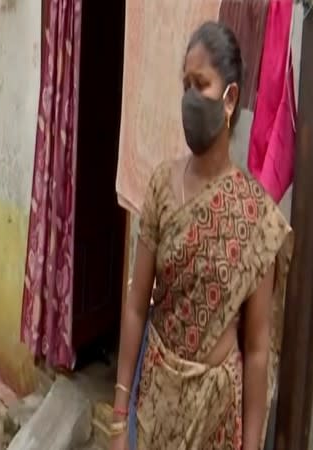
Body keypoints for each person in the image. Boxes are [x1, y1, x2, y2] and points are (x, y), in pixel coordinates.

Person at [110, 22, 293, 450]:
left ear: (229, 98)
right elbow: (137, 306)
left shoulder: (256, 218)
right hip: (156, 405)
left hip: (216, 418)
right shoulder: (161, 186)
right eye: (185, 86)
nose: (190, 98)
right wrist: (120, 417)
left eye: (201, 85)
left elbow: (258, 347)